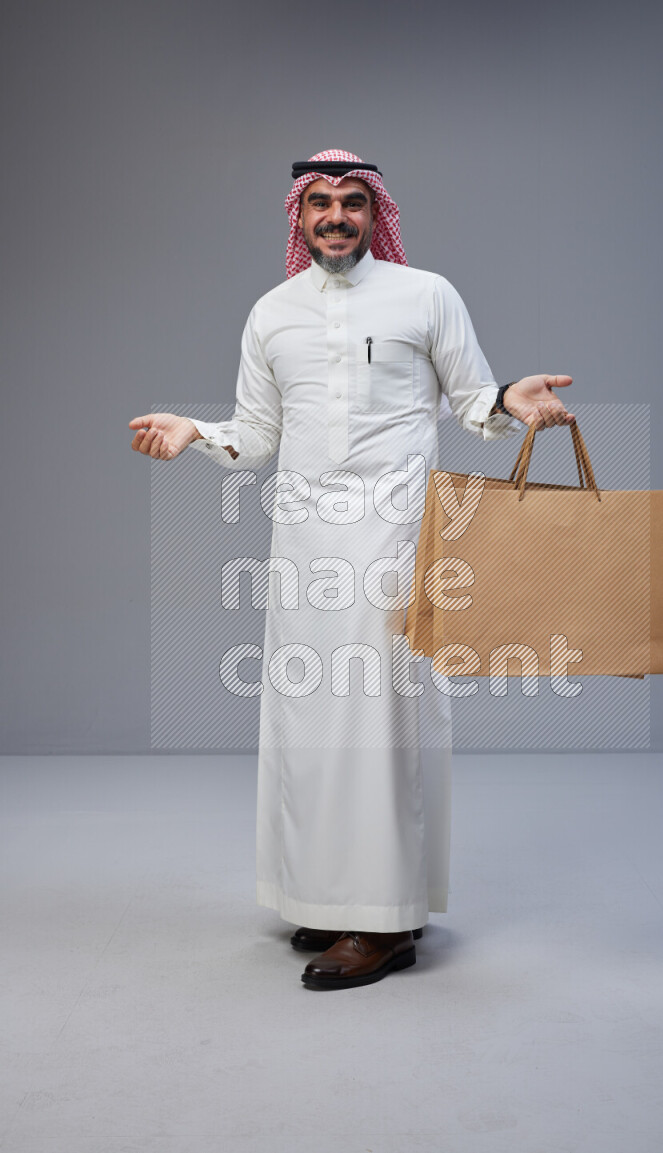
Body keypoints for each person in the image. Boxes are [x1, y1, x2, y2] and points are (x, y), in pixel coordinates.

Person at [129, 149, 575, 991]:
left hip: (398, 538)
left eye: (353, 203)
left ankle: (386, 923)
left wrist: (513, 397)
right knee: (312, 722)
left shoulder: (426, 295)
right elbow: (257, 432)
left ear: (377, 214)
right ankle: (333, 898)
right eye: (320, 204)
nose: (336, 216)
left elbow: (473, 398)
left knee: (383, 723)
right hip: (303, 547)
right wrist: (196, 430)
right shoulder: (272, 313)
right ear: (298, 218)